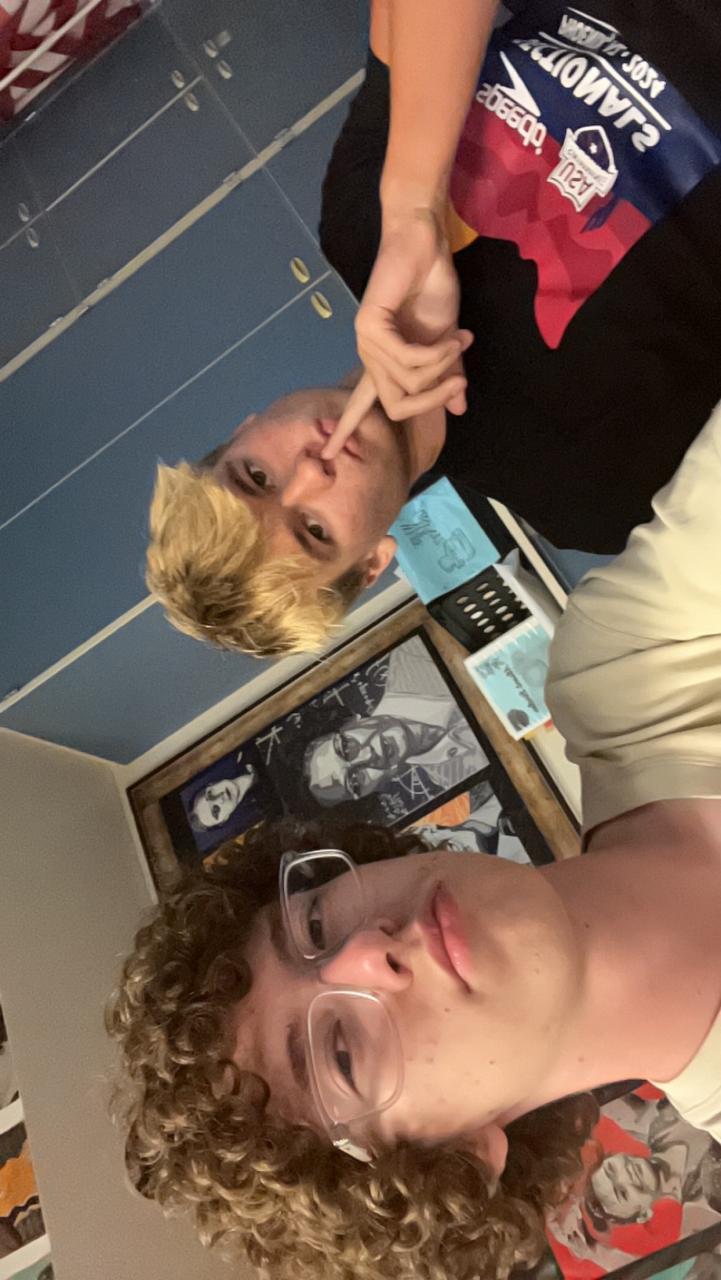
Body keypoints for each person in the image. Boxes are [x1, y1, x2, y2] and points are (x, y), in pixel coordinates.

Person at [109, 397, 721, 1280]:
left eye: (313, 923)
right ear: (458, 1158)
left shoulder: (628, 671)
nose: (366, 953)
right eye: (340, 1053)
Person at [146, 1, 721, 659]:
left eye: (255, 475)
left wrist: (412, 210)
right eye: (314, 531)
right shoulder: (587, 492)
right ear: (374, 562)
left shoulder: (357, 225)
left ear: (245, 426)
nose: (309, 470)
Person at [302, 636, 485, 804]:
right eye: (355, 781)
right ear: (372, 790)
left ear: (351, 721)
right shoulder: (456, 777)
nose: (367, 756)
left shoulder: (414, 654)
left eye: (346, 748)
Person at [187, 754, 257, 832]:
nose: (220, 799)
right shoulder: (259, 805)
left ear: (212, 784)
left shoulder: (241, 754)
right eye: (216, 812)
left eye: (211, 795)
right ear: (224, 819)